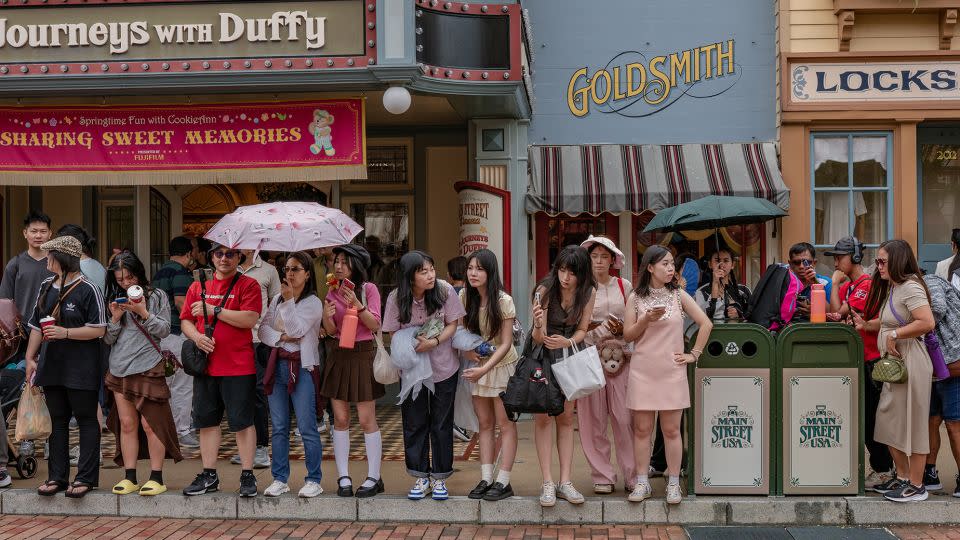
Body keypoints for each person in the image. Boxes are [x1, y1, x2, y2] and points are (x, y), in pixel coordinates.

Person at [623, 245, 712, 505]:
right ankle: (642, 483)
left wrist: (694, 354)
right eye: (664, 264)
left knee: (672, 430)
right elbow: (628, 335)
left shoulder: (679, 295)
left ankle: (673, 483)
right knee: (642, 430)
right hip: (642, 369)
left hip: (672, 370)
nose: (671, 268)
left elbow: (706, 323)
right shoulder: (635, 298)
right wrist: (646, 320)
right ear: (650, 267)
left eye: (672, 263)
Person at [853, 239, 936, 502]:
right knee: (889, 420)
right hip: (896, 363)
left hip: (911, 361)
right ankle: (901, 477)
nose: (877, 267)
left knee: (913, 421)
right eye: (876, 261)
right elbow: (889, 320)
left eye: (882, 261)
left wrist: (896, 334)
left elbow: (927, 321)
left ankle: (916, 484)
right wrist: (867, 325)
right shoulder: (896, 287)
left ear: (898, 261)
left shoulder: (910, 286)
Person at [24, 235, 107, 498]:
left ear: (62, 258)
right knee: (57, 421)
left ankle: (85, 478)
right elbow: (37, 325)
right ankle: (57, 477)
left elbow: (99, 330)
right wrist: (30, 358)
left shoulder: (88, 288)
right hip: (52, 365)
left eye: (50, 255)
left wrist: (66, 333)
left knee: (85, 420)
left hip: (82, 366)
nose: (46, 258)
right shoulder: (46, 286)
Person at [381, 250, 466, 501]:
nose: (430, 275)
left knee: (441, 423)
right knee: (415, 422)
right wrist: (411, 343)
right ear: (410, 277)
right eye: (423, 271)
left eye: (431, 268)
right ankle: (420, 475)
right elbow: (391, 332)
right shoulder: (396, 298)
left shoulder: (445, 290)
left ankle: (439, 478)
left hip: (443, 367)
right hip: (412, 371)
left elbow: (454, 323)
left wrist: (436, 341)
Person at [180, 243, 262, 498]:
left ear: (240, 256)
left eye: (230, 254)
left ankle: (248, 474)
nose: (224, 259)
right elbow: (186, 320)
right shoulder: (199, 286)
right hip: (206, 366)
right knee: (206, 422)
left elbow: (249, 318)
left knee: (242, 422)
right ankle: (209, 474)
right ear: (211, 257)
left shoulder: (248, 285)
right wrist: (196, 338)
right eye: (219, 254)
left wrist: (214, 310)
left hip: (238, 366)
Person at [103, 251, 182, 496]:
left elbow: (165, 330)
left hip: (148, 366)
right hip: (119, 367)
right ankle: (129, 476)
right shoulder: (114, 298)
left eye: (130, 276)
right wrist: (115, 319)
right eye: (120, 279)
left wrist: (143, 313)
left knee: (151, 424)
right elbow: (108, 339)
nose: (126, 283)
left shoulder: (156, 295)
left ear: (139, 273)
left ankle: (156, 477)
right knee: (127, 424)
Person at [530, 245, 596, 507]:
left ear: (582, 274)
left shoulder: (589, 292)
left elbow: (582, 329)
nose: (565, 277)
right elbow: (537, 337)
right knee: (544, 418)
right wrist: (537, 323)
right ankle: (547, 482)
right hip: (542, 354)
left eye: (571, 272)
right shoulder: (544, 290)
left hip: (568, 353)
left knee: (567, 418)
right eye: (561, 270)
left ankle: (565, 481)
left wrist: (568, 343)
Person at [824, 236, 892, 487]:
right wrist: (835, 286)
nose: (835, 262)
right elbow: (836, 312)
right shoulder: (849, 286)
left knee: (873, 419)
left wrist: (834, 288)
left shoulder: (866, 283)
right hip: (856, 359)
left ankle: (884, 469)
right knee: (863, 417)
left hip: (871, 359)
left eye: (839, 257)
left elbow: (841, 315)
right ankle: (880, 467)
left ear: (853, 257)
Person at [320, 244, 386, 499]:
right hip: (338, 353)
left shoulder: (368, 290)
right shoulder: (331, 290)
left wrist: (358, 304)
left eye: (344, 262)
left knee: (367, 419)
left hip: (362, 354)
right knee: (340, 419)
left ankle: (374, 476)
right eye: (336, 261)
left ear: (356, 266)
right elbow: (330, 330)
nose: (338, 266)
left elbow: (376, 324)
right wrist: (326, 316)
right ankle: (344, 476)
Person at [571, 237, 636, 495]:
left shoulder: (624, 285)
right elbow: (574, 325)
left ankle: (632, 475)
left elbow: (635, 319)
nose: (598, 260)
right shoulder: (580, 288)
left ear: (613, 260)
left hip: (623, 358)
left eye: (603, 256)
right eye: (594, 256)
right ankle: (602, 475)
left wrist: (624, 330)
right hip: (589, 356)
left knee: (624, 417)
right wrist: (594, 330)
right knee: (592, 419)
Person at [258, 252, 325, 498]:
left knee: (307, 426)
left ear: (307, 273)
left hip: (303, 368)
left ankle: (313, 478)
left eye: (296, 269)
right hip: (277, 366)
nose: (289, 273)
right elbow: (263, 330)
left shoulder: (312, 302)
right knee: (279, 426)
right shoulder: (276, 299)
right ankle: (279, 478)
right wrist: (281, 336)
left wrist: (287, 307)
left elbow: (297, 330)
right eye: (286, 268)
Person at [460, 249, 519, 502]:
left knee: (506, 424)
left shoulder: (504, 301)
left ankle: (503, 480)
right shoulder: (464, 296)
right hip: (479, 366)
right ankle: (486, 478)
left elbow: (506, 343)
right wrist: (469, 352)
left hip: (502, 366)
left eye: (479, 269)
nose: (473, 273)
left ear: (490, 272)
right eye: (470, 268)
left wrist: (485, 368)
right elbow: (461, 334)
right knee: (484, 424)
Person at [232, 250, 281, 469]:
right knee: (238, 394)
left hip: (258, 339)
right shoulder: (228, 269)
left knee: (260, 393)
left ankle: (261, 447)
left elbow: (279, 303)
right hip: (232, 340)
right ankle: (243, 446)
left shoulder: (269, 271)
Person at [152, 236, 199, 449]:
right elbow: (181, 302)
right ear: (189, 253)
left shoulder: (160, 272)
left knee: (167, 383)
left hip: (161, 336)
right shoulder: (180, 273)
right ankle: (183, 430)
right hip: (177, 334)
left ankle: (166, 429)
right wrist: (195, 328)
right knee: (183, 382)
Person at [921, 273, 960, 494]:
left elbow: (935, 311)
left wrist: (907, 327)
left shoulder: (930, 281)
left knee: (954, 424)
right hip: (933, 366)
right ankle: (929, 471)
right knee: (930, 421)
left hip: (952, 361)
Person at [0, 211, 54, 361]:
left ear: (50, 233)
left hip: (53, 329)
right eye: (34, 231)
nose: (38, 236)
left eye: (43, 231)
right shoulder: (15, 264)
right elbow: (4, 303)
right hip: (22, 333)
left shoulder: (57, 263)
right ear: (25, 233)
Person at [694, 246, 752, 322]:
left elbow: (752, 317)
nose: (721, 265)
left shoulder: (743, 291)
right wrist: (715, 284)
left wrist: (739, 315)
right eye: (717, 261)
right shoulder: (701, 292)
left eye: (726, 261)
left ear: (733, 265)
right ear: (710, 264)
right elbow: (701, 320)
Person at [788, 242, 833, 320]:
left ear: (814, 263)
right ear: (790, 264)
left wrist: (815, 283)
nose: (801, 266)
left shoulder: (826, 283)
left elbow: (832, 313)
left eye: (807, 262)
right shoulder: (785, 284)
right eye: (796, 262)